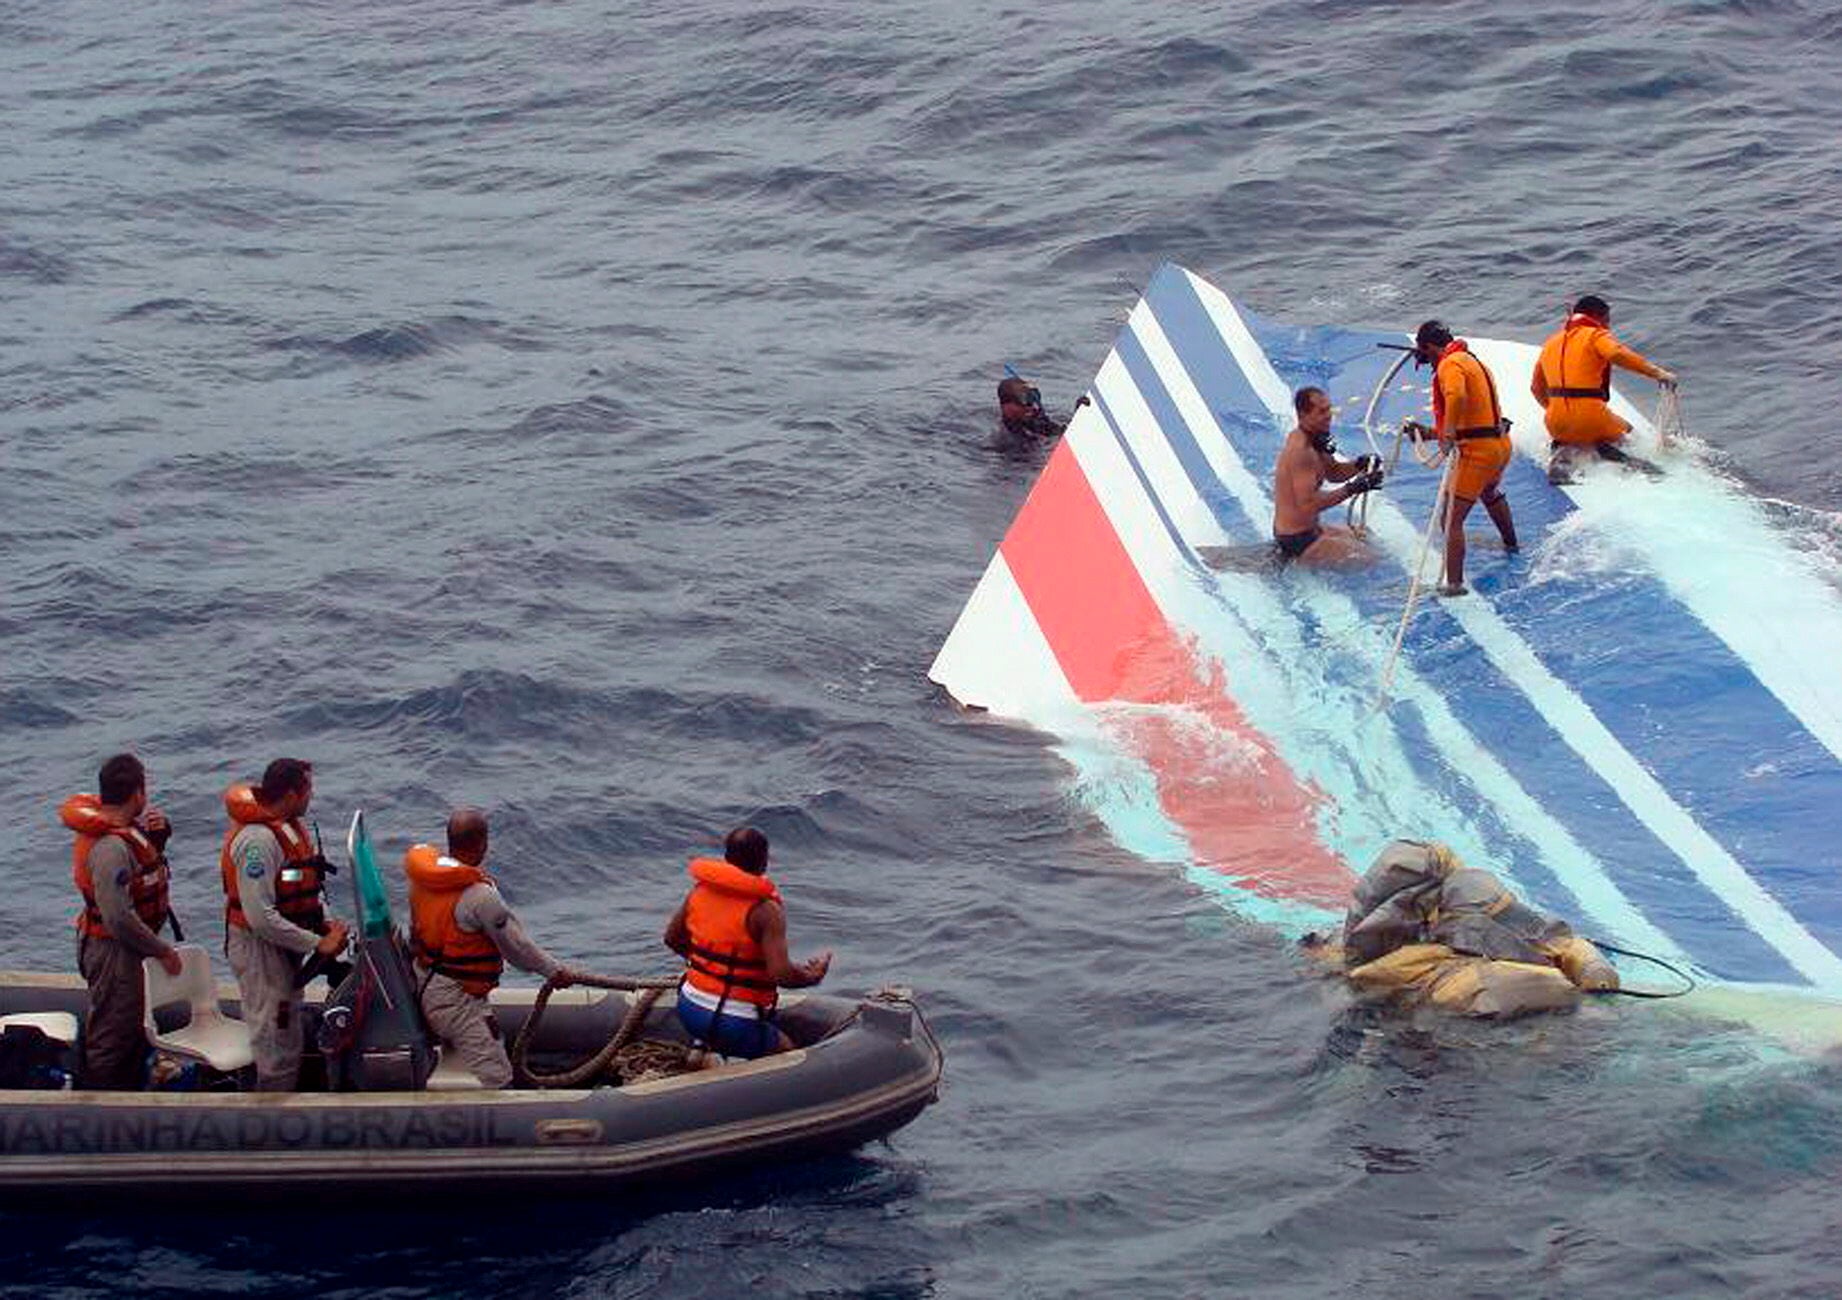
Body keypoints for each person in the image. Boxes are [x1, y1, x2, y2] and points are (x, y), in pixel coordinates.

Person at [404, 807, 578, 1089]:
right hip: (455, 1002)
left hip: (427, 985)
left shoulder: (422, 883)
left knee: (493, 1038)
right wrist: (555, 972)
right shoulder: (480, 897)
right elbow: (517, 949)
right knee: (498, 1076)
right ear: (483, 843)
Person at [220, 758, 348, 1090]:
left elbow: (295, 885)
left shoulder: (289, 830)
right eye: (308, 790)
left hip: (284, 944)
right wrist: (316, 943)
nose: (311, 796)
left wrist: (325, 926)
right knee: (274, 1034)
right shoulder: (258, 842)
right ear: (292, 793)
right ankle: (270, 1114)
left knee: (285, 1025)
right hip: (259, 948)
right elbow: (260, 917)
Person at [62, 753, 184, 1090]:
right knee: (112, 1035)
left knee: (131, 1027)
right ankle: (100, 1108)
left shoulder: (129, 832)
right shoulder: (110, 848)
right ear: (138, 794)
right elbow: (118, 918)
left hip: (128, 948)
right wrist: (162, 951)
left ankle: (129, 1088)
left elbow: (141, 874)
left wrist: (158, 841)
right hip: (114, 951)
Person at [663, 827, 831, 1059]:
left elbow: (672, 939)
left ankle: (703, 1049)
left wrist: (711, 968)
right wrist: (812, 976)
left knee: (728, 1028)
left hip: (688, 1008)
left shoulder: (700, 891)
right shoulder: (765, 910)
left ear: (727, 857)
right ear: (764, 861)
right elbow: (781, 974)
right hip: (733, 1022)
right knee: (787, 1055)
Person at [1410, 320, 1519, 596]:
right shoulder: (1471, 360)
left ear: (1431, 347)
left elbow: (1456, 395)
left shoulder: (1450, 365)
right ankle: (1511, 545)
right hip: (1500, 446)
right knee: (1490, 492)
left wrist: (1446, 434)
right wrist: (1431, 433)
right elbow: (1475, 420)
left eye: (1426, 355)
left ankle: (1455, 585)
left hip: (1479, 453)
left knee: (1450, 518)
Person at [1531, 294, 1677, 483]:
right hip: (1592, 418)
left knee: (1575, 435)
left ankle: (1565, 455)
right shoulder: (1595, 335)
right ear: (1596, 318)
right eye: (1607, 321)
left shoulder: (1550, 343)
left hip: (1554, 423)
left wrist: (1557, 411)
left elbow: (1535, 388)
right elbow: (1615, 352)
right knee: (1629, 432)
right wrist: (1658, 373)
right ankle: (1612, 452)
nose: (1608, 327)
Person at [1271, 385, 1384, 563]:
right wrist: (1353, 488)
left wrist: (1359, 464)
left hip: (1312, 528)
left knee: (1364, 535)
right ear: (1303, 415)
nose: (1329, 416)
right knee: (1371, 559)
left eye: (1329, 410)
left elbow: (1334, 473)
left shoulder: (1316, 439)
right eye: (1322, 412)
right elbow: (1308, 505)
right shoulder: (1301, 451)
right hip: (1298, 540)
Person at [997, 375, 1087, 440]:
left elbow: (1058, 432)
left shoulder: (1035, 419)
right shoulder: (1006, 438)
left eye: (1033, 398)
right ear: (1007, 407)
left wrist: (1078, 416)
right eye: (1025, 401)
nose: (1032, 406)